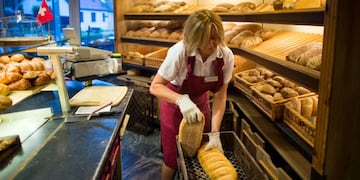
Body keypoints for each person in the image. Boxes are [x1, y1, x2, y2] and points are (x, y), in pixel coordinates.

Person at [149, 9, 234, 180]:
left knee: (200, 153)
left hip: (201, 106)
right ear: (194, 37)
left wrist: (215, 132)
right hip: (174, 105)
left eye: (215, 38)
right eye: (206, 39)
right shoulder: (179, 51)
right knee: (172, 160)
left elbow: (220, 95)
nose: (212, 44)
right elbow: (156, 86)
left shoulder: (225, 56)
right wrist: (180, 100)